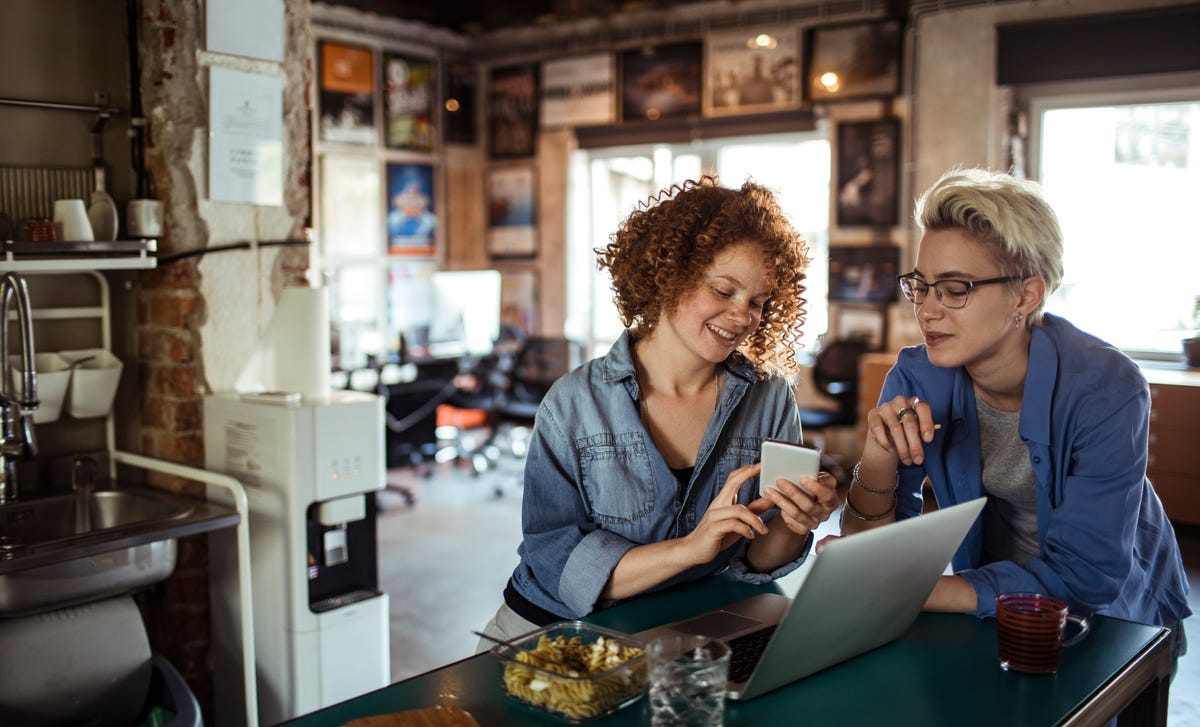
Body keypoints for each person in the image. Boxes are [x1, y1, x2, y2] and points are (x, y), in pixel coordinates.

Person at [840, 167, 1191, 664]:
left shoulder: (1107, 388)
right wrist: (876, 457)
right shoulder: (919, 376)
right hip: (996, 605)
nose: (928, 310)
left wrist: (917, 592)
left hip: (1117, 617)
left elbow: (1087, 575)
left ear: (1025, 296)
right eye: (921, 285)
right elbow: (868, 550)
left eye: (955, 288)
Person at [478, 177, 840, 646]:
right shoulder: (573, 403)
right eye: (724, 290)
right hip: (556, 633)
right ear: (670, 275)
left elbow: (761, 559)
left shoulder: (769, 397)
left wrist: (797, 520)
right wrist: (690, 549)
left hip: (689, 627)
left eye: (758, 301)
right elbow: (559, 564)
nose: (742, 316)